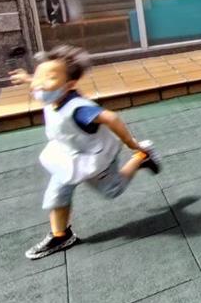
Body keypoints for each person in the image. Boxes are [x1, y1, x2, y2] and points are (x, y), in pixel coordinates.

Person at [10, 44, 161, 260]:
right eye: (38, 76)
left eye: (49, 78)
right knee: (57, 192)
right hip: (67, 155)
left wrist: (131, 143)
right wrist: (28, 78)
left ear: (70, 84)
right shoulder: (52, 96)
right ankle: (61, 235)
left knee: (112, 190)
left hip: (94, 158)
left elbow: (111, 118)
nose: (40, 83)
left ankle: (141, 157)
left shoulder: (78, 109)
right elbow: (41, 80)